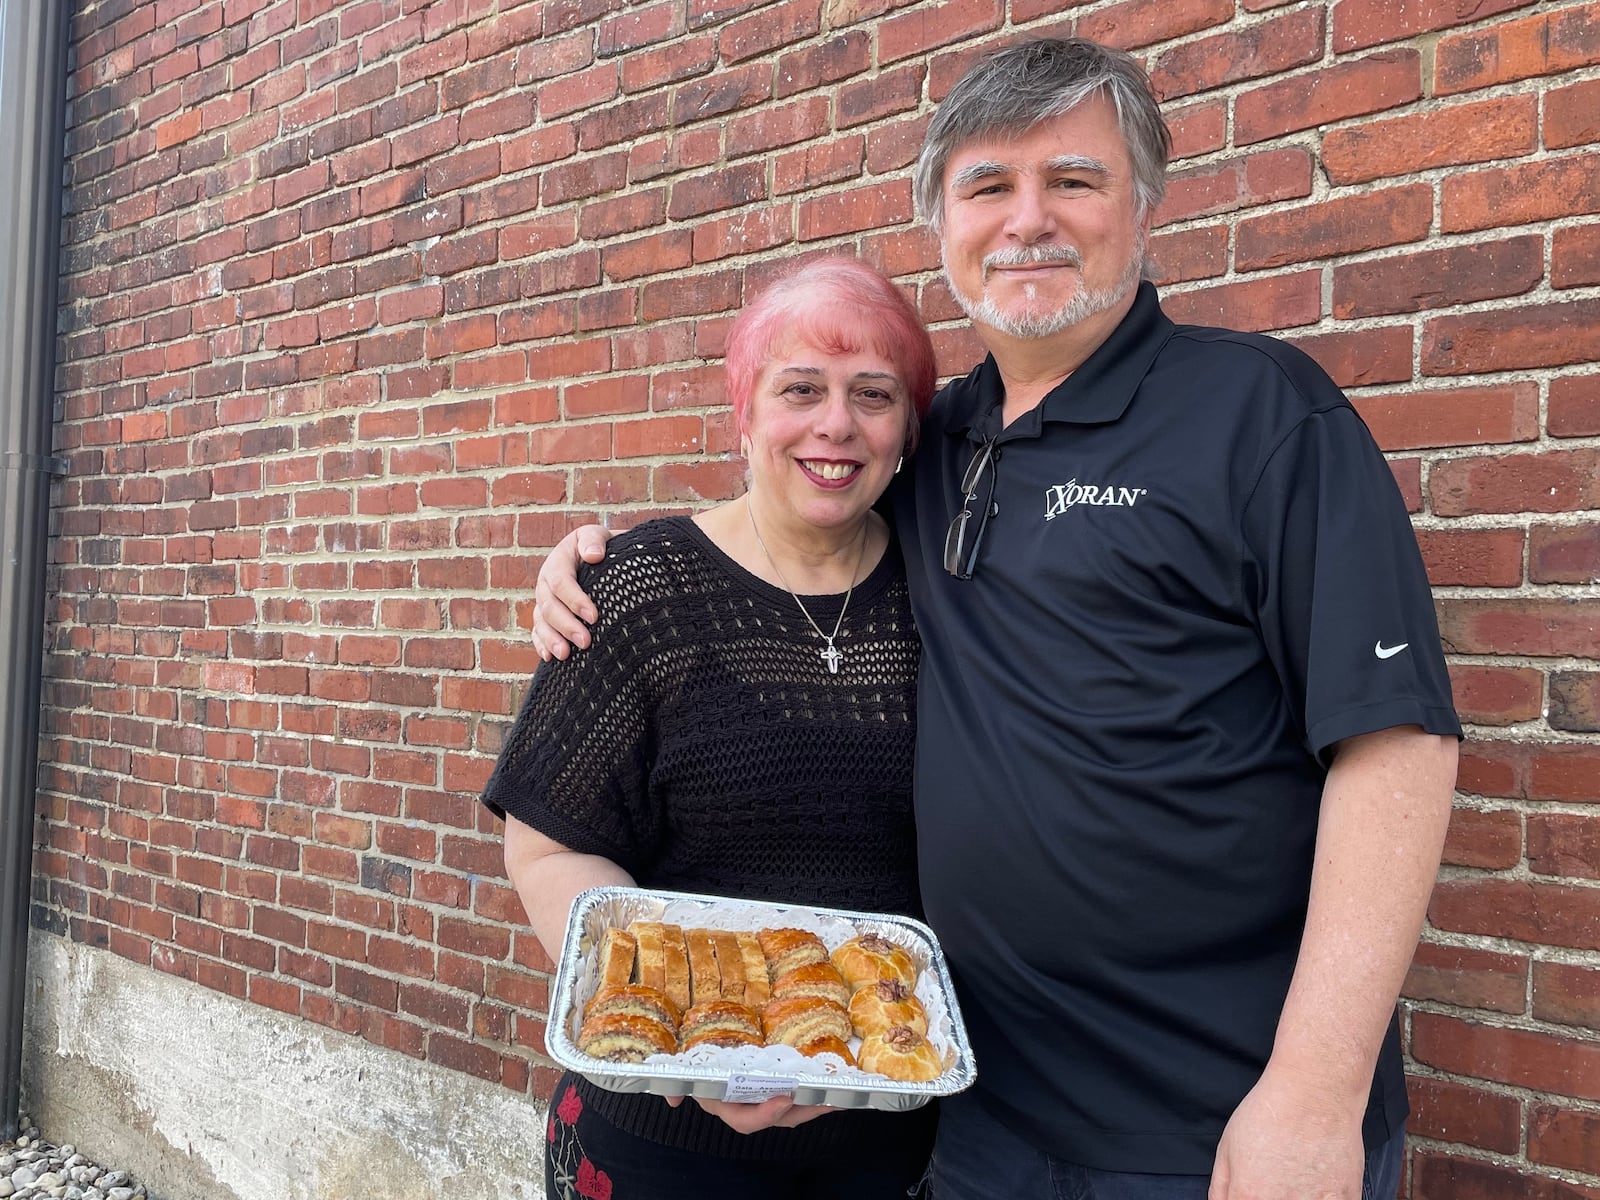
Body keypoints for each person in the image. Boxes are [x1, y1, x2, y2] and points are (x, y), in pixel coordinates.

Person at [532, 38, 1461, 1200]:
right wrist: (604, 560)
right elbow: (787, 498)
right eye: (987, 186)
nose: (1028, 219)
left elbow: (1396, 741)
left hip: (1212, 1123)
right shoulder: (926, 440)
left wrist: (1314, 1093)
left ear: (1142, 208)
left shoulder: (1262, 416)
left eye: (1072, 180)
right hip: (970, 1114)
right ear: (942, 221)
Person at [481, 256, 942, 1200]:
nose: (836, 425)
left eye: (873, 394)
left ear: (908, 430)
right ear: (744, 412)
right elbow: (548, 852)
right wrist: (689, 1053)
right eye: (800, 389)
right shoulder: (638, 590)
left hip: (893, 1138)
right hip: (664, 1139)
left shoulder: (950, 591)